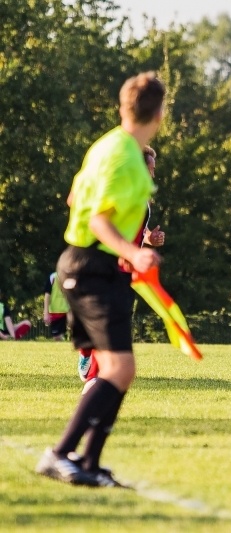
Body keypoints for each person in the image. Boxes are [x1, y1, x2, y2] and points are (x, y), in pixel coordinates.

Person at [35, 72, 165, 487]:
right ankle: (60, 454)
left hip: (90, 265)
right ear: (159, 113)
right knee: (120, 368)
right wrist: (135, 251)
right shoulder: (127, 156)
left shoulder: (108, 144)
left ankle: (88, 464)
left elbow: (76, 197)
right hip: (93, 266)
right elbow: (96, 217)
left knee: (112, 368)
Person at [76, 145, 165, 383]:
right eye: (151, 169)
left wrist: (149, 238)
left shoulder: (142, 198)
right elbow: (103, 223)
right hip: (103, 264)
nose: (153, 175)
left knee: (110, 323)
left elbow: (134, 227)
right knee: (96, 322)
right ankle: (89, 359)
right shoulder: (119, 190)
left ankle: (95, 375)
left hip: (125, 270)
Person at [44, 272, 70, 341]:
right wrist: (46, 313)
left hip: (67, 311)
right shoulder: (53, 277)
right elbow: (47, 295)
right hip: (55, 312)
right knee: (57, 337)